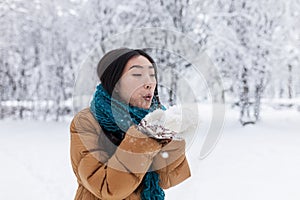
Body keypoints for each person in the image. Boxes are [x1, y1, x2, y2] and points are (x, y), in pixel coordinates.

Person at [70, 47, 191, 200]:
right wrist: (142, 137)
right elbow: (108, 188)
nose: (149, 83)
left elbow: (168, 178)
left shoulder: (155, 120)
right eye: (137, 74)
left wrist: (172, 135)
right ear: (115, 83)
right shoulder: (87, 122)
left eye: (152, 75)